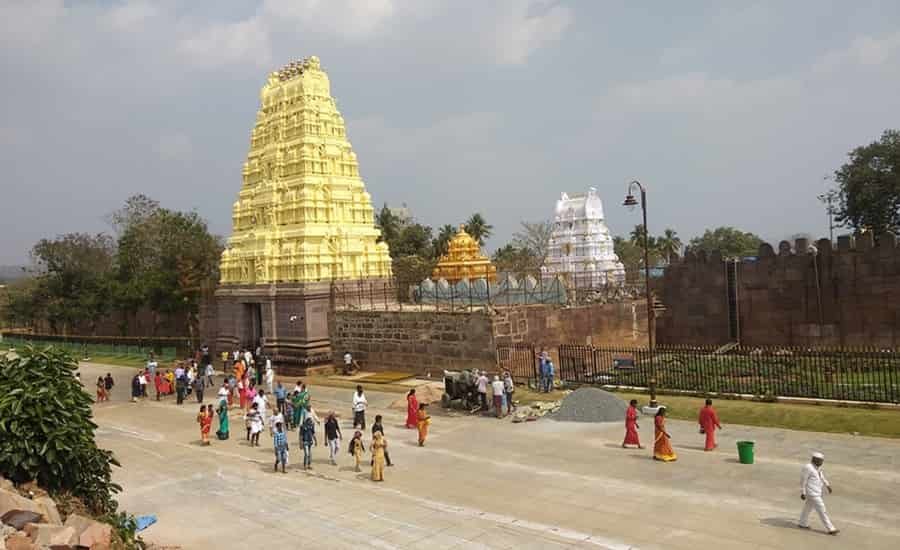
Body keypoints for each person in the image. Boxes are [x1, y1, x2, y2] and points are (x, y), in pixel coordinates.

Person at [799, 452, 838, 535]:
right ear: (814, 460)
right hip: (812, 493)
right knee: (822, 509)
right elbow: (803, 480)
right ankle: (831, 528)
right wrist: (803, 492)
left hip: (816, 491)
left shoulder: (818, 467)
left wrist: (827, 485)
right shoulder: (808, 467)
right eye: (820, 461)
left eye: (822, 461)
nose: (821, 463)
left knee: (807, 508)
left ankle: (802, 523)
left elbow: (822, 477)